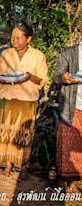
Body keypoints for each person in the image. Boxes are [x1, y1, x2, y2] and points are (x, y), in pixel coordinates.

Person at [0, 22, 48, 181]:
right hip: (9, 97)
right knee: (7, 131)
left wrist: (29, 76)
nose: (15, 41)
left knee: (24, 134)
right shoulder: (6, 54)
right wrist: (7, 80)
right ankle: (9, 164)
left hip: (27, 99)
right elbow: (0, 76)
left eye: (19, 37)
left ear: (29, 39)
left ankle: (23, 166)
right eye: (13, 37)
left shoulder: (38, 56)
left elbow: (43, 80)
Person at [52, 41, 82, 189]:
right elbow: (56, 75)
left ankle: (76, 178)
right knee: (67, 144)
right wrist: (64, 77)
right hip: (71, 105)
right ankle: (62, 177)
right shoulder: (69, 52)